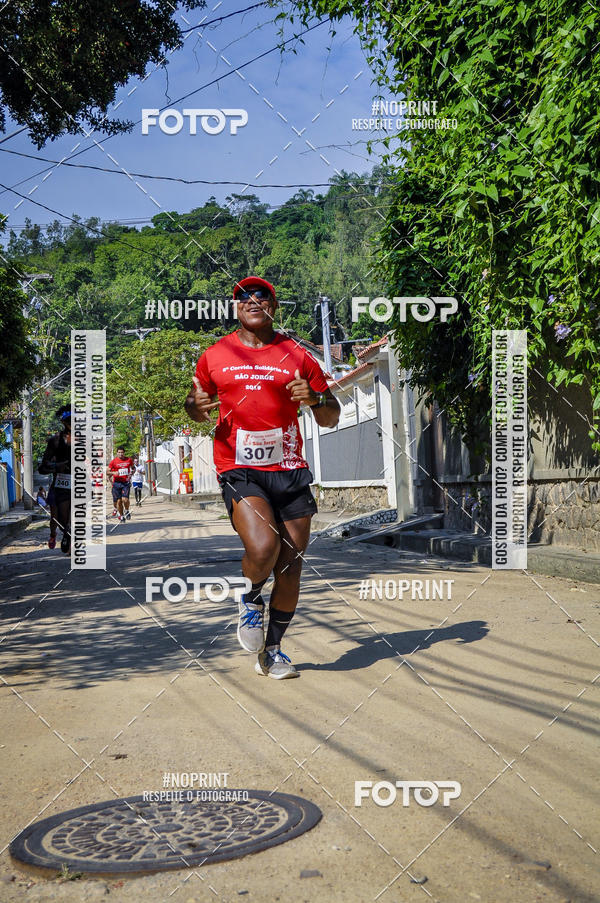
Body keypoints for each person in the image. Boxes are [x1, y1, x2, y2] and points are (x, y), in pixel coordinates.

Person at [184, 276, 340, 679]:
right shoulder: (214, 355)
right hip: (239, 468)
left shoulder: (297, 355)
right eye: (243, 296)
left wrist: (316, 398)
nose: (252, 300)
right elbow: (196, 403)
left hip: (289, 469)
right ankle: (251, 598)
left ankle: (272, 651)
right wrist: (194, 406)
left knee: (291, 565)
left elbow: (331, 415)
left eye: (261, 295)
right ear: (236, 307)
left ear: (274, 305)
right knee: (262, 546)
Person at [39, 405, 72, 553]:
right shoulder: (55, 441)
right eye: (70, 420)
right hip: (59, 482)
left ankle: (68, 535)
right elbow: (43, 465)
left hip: (77, 483)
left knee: (69, 514)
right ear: (63, 422)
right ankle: (56, 533)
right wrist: (58, 465)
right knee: (56, 517)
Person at [108, 447, 134, 521]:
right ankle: (121, 515)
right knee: (118, 501)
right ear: (117, 453)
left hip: (125, 483)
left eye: (122, 452)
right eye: (119, 452)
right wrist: (113, 473)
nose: (120, 454)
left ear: (124, 453)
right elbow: (107, 472)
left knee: (125, 499)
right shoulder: (113, 461)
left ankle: (127, 510)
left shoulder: (128, 460)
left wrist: (132, 472)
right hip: (116, 483)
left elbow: (133, 468)